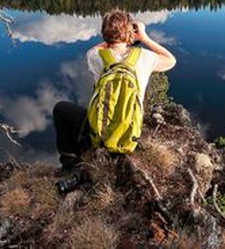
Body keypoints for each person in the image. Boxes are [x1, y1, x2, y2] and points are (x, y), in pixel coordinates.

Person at [52, 9, 177, 171]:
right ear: (129, 32)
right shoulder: (145, 57)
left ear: (104, 33)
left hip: (99, 135)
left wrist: (113, 37)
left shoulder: (96, 56)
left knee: (60, 109)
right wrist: (143, 37)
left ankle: (69, 163)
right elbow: (171, 61)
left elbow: (94, 49)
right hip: (129, 135)